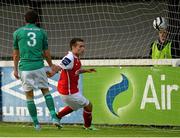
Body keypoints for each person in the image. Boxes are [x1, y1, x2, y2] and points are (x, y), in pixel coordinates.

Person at [13, 10, 60, 130]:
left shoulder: (17, 32)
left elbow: (15, 54)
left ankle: (36, 124)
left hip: (25, 68)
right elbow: (46, 51)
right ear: (37, 20)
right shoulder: (42, 32)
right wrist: (51, 65)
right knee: (46, 91)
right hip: (39, 66)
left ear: (25, 20)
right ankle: (54, 117)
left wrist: (15, 69)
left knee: (29, 96)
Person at [46, 38, 97, 130]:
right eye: (80, 46)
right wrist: (51, 73)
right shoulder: (69, 57)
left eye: (84, 46)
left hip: (68, 90)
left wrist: (86, 70)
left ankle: (57, 117)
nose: (83, 48)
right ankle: (87, 127)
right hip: (68, 91)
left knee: (74, 106)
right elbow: (59, 67)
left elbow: (76, 71)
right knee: (89, 105)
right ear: (73, 47)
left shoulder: (76, 58)